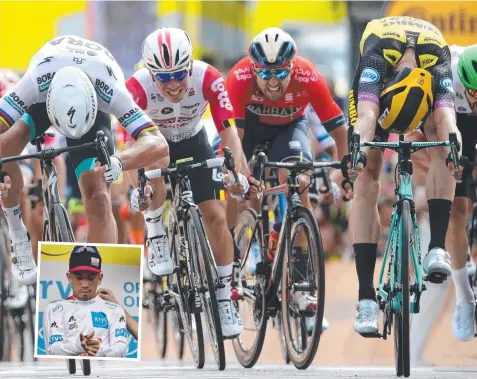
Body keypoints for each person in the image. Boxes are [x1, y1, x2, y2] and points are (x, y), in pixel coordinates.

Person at [0, 35, 169, 285]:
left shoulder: (111, 90)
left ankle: (102, 279)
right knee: (5, 149)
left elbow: (158, 142)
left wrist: (119, 161)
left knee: (98, 195)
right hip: (46, 98)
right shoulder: (34, 81)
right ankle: (17, 233)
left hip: (92, 116)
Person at [126, 27, 255, 339]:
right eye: (164, 78)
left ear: (190, 65)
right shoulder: (135, 88)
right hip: (154, 144)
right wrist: (137, 187)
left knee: (216, 216)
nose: (173, 85)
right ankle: (156, 231)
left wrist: (236, 172)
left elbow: (229, 133)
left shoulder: (209, 78)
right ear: (150, 72)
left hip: (195, 140)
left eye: (179, 75)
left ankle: (224, 299)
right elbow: (129, 148)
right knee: (154, 161)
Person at [225, 27, 347, 332]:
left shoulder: (308, 76)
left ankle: (302, 283)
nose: (273, 82)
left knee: (299, 182)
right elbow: (234, 141)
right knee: (245, 187)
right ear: (254, 69)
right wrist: (241, 175)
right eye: (264, 74)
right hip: (247, 131)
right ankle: (242, 256)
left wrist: (346, 171)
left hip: (289, 128)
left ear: (292, 67)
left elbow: (339, 130)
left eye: (280, 73)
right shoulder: (239, 78)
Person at [347, 16, 462, 336]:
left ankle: (437, 247)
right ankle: (366, 297)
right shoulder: (376, 56)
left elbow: (447, 120)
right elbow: (368, 115)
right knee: (366, 173)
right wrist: (355, 153)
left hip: (422, 84)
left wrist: (456, 150)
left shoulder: (435, 56)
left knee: (443, 147)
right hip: (377, 98)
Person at [405, 43, 477, 341]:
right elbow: (415, 136)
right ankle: (465, 299)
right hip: (450, 120)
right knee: (456, 208)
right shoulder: (441, 75)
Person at [42, 245, 129, 357]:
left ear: (100, 278)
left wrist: (99, 350)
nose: (85, 284)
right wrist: (79, 346)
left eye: (91, 277)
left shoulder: (114, 309)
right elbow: (52, 349)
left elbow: (122, 349)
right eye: (78, 277)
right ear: (69, 277)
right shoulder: (54, 309)